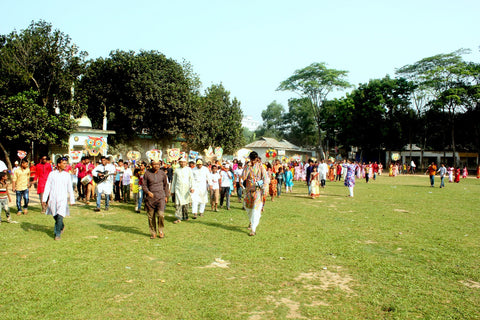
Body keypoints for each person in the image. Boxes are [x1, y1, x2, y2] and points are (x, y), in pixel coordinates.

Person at [42, 157, 75, 240]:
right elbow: (47, 187)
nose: (65, 165)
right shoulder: (52, 174)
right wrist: (44, 199)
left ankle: (57, 234)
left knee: (60, 215)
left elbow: (70, 188)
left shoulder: (67, 175)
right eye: (63, 163)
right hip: (53, 198)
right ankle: (61, 226)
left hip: (62, 199)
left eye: (66, 163)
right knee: (55, 215)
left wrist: (72, 199)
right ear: (58, 164)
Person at [242, 151, 267, 236]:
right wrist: (247, 167)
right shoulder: (247, 166)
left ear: (257, 159)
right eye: (251, 159)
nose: (252, 161)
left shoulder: (261, 167)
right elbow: (243, 177)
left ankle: (253, 229)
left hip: (257, 191)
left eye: (254, 160)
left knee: (256, 210)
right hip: (248, 192)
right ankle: (251, 221)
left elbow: (266, 179)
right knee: (248, 208)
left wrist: (257, 185)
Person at [142, 160, 169, 239]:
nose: (156, 166)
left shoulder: (162, 173)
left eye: (158, 164)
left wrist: (166, 196)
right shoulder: (147, 173)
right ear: (151, 165)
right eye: (154, 164)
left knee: (161, 215)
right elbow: (144, 185)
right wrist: (147, 192)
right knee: (151, 216)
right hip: (150, 198)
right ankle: (153, 232)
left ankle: (161, 231)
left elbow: (165, 185)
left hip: (161, 196)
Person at [171, 157, 193, 223]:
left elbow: (191, 179)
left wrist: (192, 187)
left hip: (186, 189)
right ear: (179, 163)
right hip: (178, 189)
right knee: (178, 203)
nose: (182, 163)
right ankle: (178, 218)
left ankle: (185, 217)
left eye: (184, 162)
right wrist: (172, 191)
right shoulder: (177, 170)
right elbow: (174, 181)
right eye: (181, 162)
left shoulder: (189, 170)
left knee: (185, 203)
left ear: (186, 163)